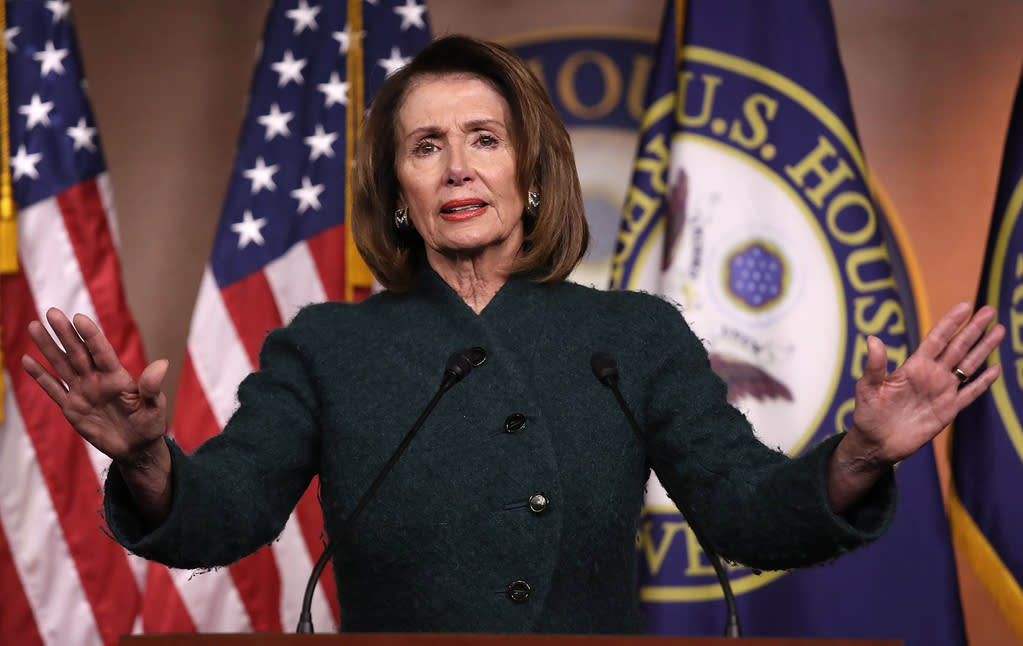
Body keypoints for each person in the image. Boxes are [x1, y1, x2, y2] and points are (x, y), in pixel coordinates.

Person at [23, 35, 1004, 635]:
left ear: (531, 173)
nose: (457, 167)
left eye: (484, 139)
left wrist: (862, 454)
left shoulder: (635, 335)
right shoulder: (324, 346)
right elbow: (224, 512)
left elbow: (750, 511)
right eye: (425, 146)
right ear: (398, 194)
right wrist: (150, 458)